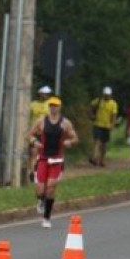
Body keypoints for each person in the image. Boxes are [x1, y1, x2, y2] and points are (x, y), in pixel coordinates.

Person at [28, 96, 79, 228]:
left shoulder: (65, 123)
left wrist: (69, 142)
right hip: (43, 158)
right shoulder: (42, 121)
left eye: (55, 105)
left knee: (51, 187)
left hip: (57, 159)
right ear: (48, 107)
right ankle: (40, 200)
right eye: (51, 105)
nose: (53, 107)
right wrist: (35, 142)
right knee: (40, 188)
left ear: (59, 107)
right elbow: (30, 134)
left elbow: (75, 138)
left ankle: (47, 218)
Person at [88, 86, 118, 167]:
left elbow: (114, 115)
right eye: (105, 95)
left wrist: (113, 125)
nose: (107, 96)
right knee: (96, 141)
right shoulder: (98, 101)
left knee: (104, 144)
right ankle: (94, 157)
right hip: (98, 124)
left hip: (107, 126)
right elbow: (91, 106)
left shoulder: (113, 104)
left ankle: (102, 160)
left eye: (108, 95)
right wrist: (91, 115)